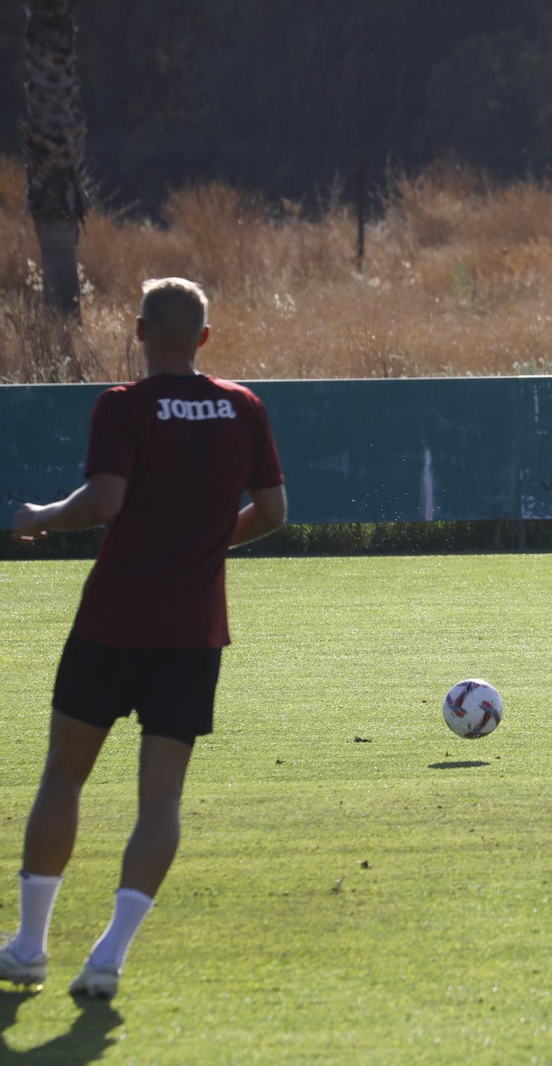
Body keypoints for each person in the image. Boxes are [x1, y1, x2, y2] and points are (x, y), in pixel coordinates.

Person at [0, 278, 287, 999]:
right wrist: (209, 545)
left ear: (137, 331)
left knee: (65, 772)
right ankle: (108, 958)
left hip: (113, 622)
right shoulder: (242, 407)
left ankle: (30, 948)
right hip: (192, 632)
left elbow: (102, 502)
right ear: (205, 338)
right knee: (161, 798)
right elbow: (275, 511)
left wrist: (37, 515)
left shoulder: (123, 405)